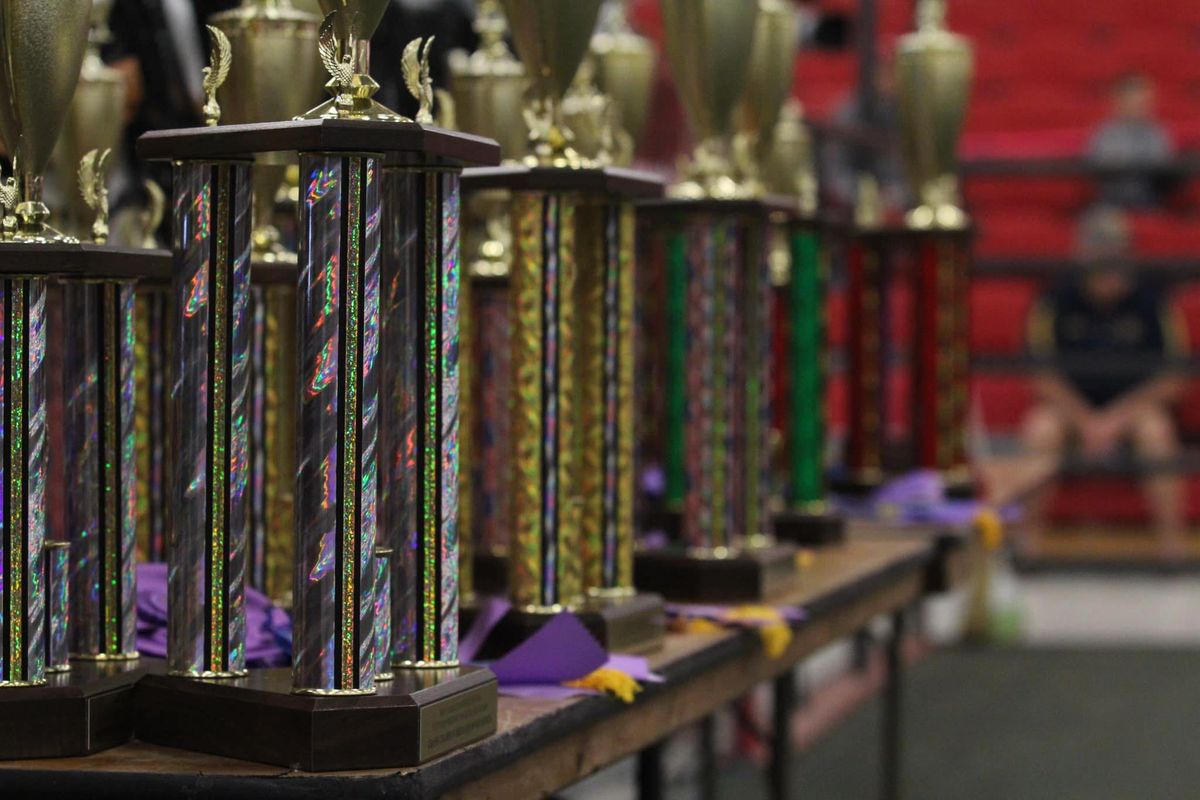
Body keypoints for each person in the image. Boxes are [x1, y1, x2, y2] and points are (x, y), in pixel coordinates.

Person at [1020, 206, 1188, 558]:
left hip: (1134, 409)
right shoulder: (1055, 298)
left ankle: (1172, 547)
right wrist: (1086, 420)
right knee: (1039, 431)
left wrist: (1116, 419)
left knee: (1156, 433)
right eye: (1098, 253)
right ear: (1081, 256)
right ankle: (1026, 544)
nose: (1108, 264)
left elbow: (1174, 378)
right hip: (1070, 408)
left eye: (1114, 251)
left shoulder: (1154, 299)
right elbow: (1041, 376)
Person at [1086, 71, 1176, 209]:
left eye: (1144, 100)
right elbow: (1103, 169)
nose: (1140, 105)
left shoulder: (1157, 132)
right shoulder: (1105, 133)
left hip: (1151, 204)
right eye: (1134, 100)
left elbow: (1165, 168)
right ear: (1119, 101)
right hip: (1112, 204)